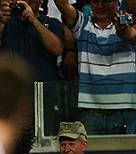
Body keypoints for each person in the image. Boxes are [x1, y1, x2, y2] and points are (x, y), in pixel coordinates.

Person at [54, 0, 136, 135]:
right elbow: (62, 4)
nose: (100, 6)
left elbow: (130, 36)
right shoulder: (82, 25)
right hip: (92, 111)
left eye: (105, 1)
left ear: (117, 2)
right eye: (95, 1)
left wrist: (123, 30)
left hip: (126, 109)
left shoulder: (129, 23)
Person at [0, 0, 63, 82]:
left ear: (41, 1)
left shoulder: (52, 23)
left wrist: (34, 20)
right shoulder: (2, 23)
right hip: (12, 88)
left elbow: (57, 50)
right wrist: (2, 22)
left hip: (43, 88)